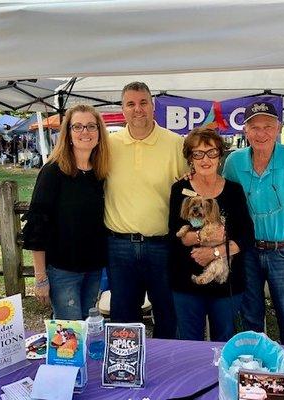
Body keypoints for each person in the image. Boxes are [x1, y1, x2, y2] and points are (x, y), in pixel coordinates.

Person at [223, 101, 284, 345]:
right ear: (245, 131)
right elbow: (221, 200)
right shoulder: (234, 163)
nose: (261, 133)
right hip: (247, 253)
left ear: (278, 128)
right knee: (250, 318)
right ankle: (254, 373)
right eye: (254, 127)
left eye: (268, 126)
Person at [105, 81, 187, 338]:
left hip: (162, 245)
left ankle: (166, 372)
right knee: (123, 320)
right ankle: (125, 373)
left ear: (153, 106)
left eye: (143, 102)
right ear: (123, 109)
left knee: (167, 315)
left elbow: (189, 193)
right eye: (131, 104)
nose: (137, 109)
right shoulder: (108, 144)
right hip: (119, 246)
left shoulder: (175, 143)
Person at [22, 104, 110, 320]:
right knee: (70, 335)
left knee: (88, 329)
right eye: (77, 127)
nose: (85, 132)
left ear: (99, 132)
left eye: (91, 126)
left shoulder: (100, 173)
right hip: (63, 271)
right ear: (68, 134)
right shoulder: (53, 172)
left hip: (94, 268)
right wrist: (40, 277)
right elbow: (37, 226)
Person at [168, 127, 254, 341]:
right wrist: (197, 238)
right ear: (190, 158)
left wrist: (215, 252)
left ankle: (220, 376)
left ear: (220, 156)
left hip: (226, 283)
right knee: (189, 343)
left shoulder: (234, 191)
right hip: (185, 283)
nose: (205, 159)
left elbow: (246, 236)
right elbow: (174, 237)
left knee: (224, 341)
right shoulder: (179, 189)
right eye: (198, 153)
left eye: (212, 152)